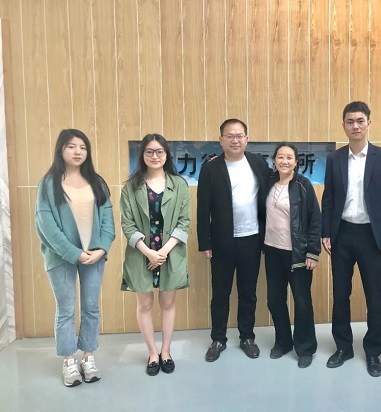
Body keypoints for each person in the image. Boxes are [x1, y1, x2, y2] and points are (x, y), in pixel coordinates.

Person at [321, 101, 381, 377]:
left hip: (372, 237)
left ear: (369, 123)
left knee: (374, 296)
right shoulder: (334, 159)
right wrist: (326, 232)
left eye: (360, 121)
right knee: (340, 294)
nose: (355, 126)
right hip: (341, 234)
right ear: (343, 125)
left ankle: (373, 351)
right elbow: (329, 198)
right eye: (349, 121)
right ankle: (343, 347)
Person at [35, 129, 115, 387]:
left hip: (94, 256)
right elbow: (45, 224)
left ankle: (88, 357)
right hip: (61, 257)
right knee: (66, 309)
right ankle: (69, 360)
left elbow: (108, 220)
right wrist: (73, 252)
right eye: (71, 146)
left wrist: (101, 249)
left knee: (91, 307)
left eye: (82, 147)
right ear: (61, 150)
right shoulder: (49, 184)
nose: (78, 151)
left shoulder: (97, 182)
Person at [197, 118, 270, 362]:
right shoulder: (211, 168)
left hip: (252, 238)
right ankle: (218, 338)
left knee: (248, 292)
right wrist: (205, 242)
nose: (235, 140)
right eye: (230, 136)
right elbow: (203, 208)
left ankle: (247, 336)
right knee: (221, 292)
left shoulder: (258, 163)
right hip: (222, 240)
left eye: (239, 136)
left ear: (247, 139)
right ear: (221, 140)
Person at [120, 134, 191, 376]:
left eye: (160, 151)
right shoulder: (131, 187)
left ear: (167, 155)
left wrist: (163, 252)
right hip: (142, 253)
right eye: (149, 151)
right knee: (145, 304)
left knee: (168, 303)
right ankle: (152, 353)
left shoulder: (179, 185)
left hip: (170, 252)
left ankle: (166, 351)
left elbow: (184, 222)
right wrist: (149, 252)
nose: (155, 156)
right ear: (142, 155)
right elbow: (127, 224)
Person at [264, 143, 321, 368]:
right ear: (274, 160)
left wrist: (313, 252)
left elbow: (315, 220)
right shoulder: (268, 182)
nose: (284, 161)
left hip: (297, 253)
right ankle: (283, 342)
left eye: (289, 157)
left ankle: (305, 348)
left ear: (296, 162)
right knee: (274, 300)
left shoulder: (303, 185)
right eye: (280, 157)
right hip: (272, 250)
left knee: (302, 302)